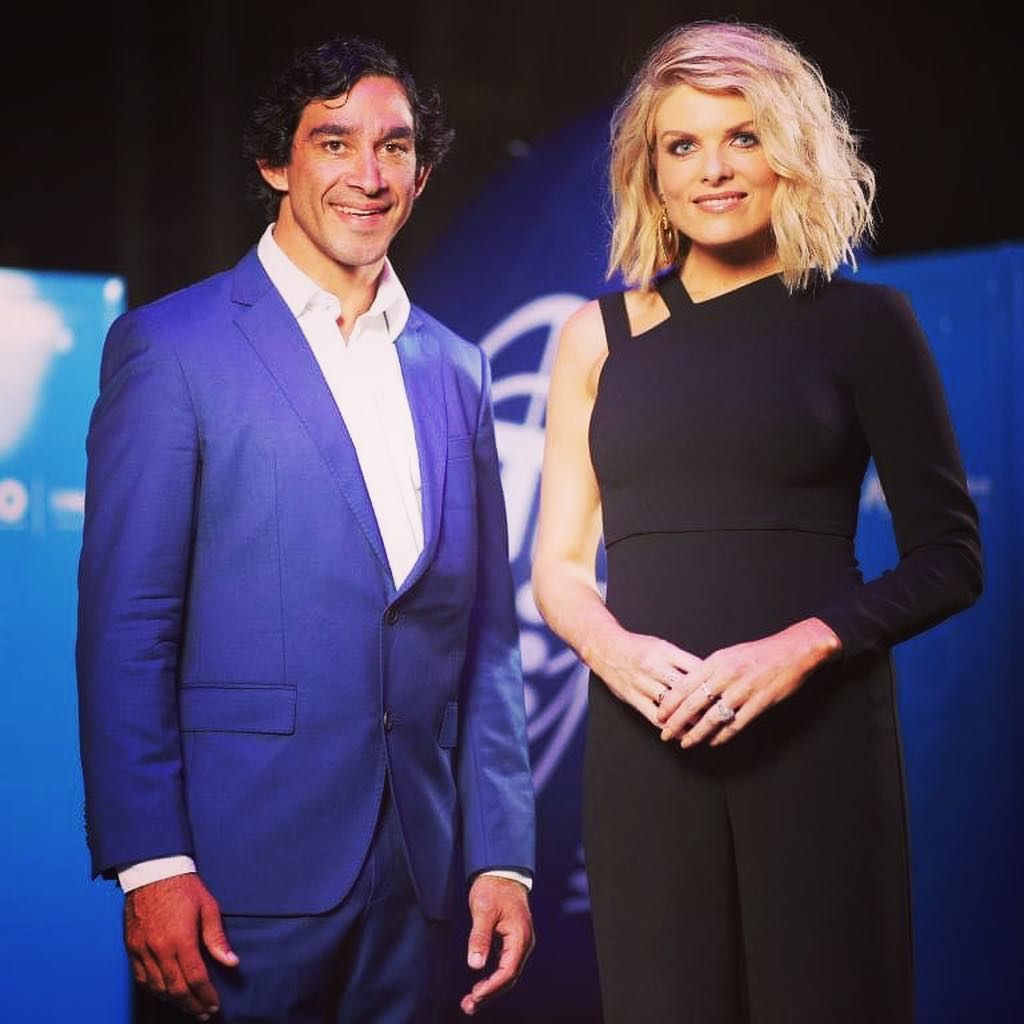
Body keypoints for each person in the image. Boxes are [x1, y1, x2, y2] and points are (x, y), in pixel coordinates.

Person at [76, 36, 535, 1023]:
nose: (368, 174)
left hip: (422, 884)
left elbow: (487, 639)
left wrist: (502, 856)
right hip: (234, 879)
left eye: (395, 146)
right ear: (274, 163)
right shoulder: (173, 347)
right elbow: (128, 627)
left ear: (421, 171)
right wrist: (151, 862)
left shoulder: (458, 368)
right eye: (334, 142)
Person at [532, 19, 981, 1024]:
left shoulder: (868, 325)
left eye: (743, 136)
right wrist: (615, 653)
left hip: (819, 742)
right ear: (651, 175)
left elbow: (951, 557)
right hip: (646, 741)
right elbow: (557, 565)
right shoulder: (593, 339)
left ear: (790, 152)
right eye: (682, 145)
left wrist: (798, 648)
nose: (714, 169)